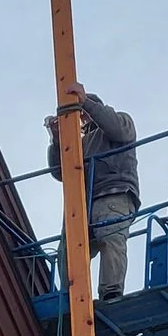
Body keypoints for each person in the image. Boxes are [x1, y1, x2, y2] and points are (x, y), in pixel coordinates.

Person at [45, 86, 139, 300]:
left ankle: (110, 292)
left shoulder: (120, 122)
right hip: (82, 203)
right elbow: (60, 172)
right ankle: (71, 297)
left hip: (113, 194)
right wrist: (57, 141)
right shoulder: (78, 144)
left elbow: (117, 129)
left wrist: (86, 103)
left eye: (84, 114)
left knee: (110, 237)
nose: (83, 120)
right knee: (69, 251)